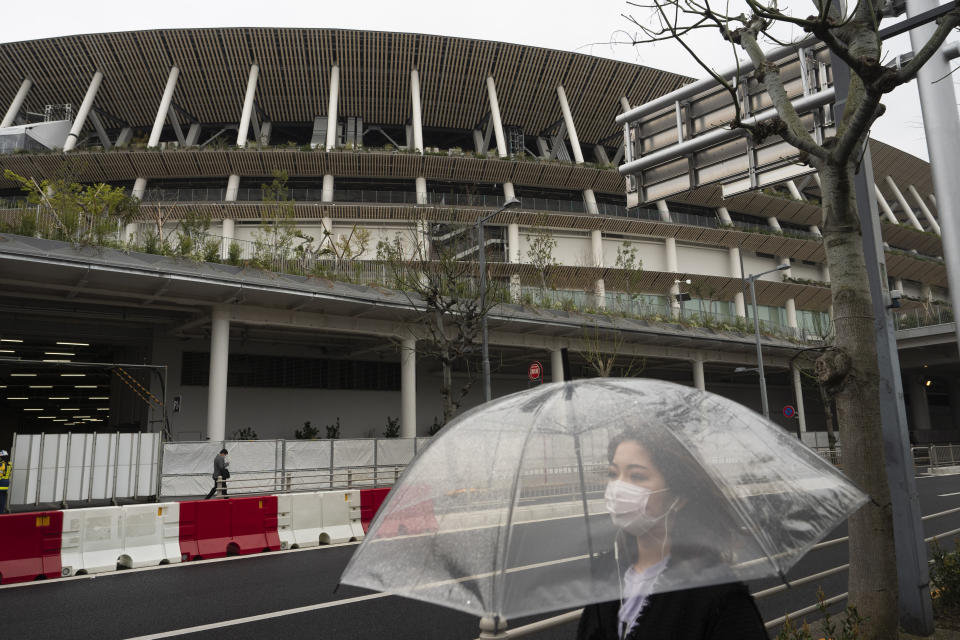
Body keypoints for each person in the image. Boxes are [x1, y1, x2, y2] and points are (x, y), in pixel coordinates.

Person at [577, 428, 767, 640]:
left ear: (679, 497)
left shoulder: (715, 593)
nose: (618, 487)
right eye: (613, 474)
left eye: (637, 476)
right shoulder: (607, 572)